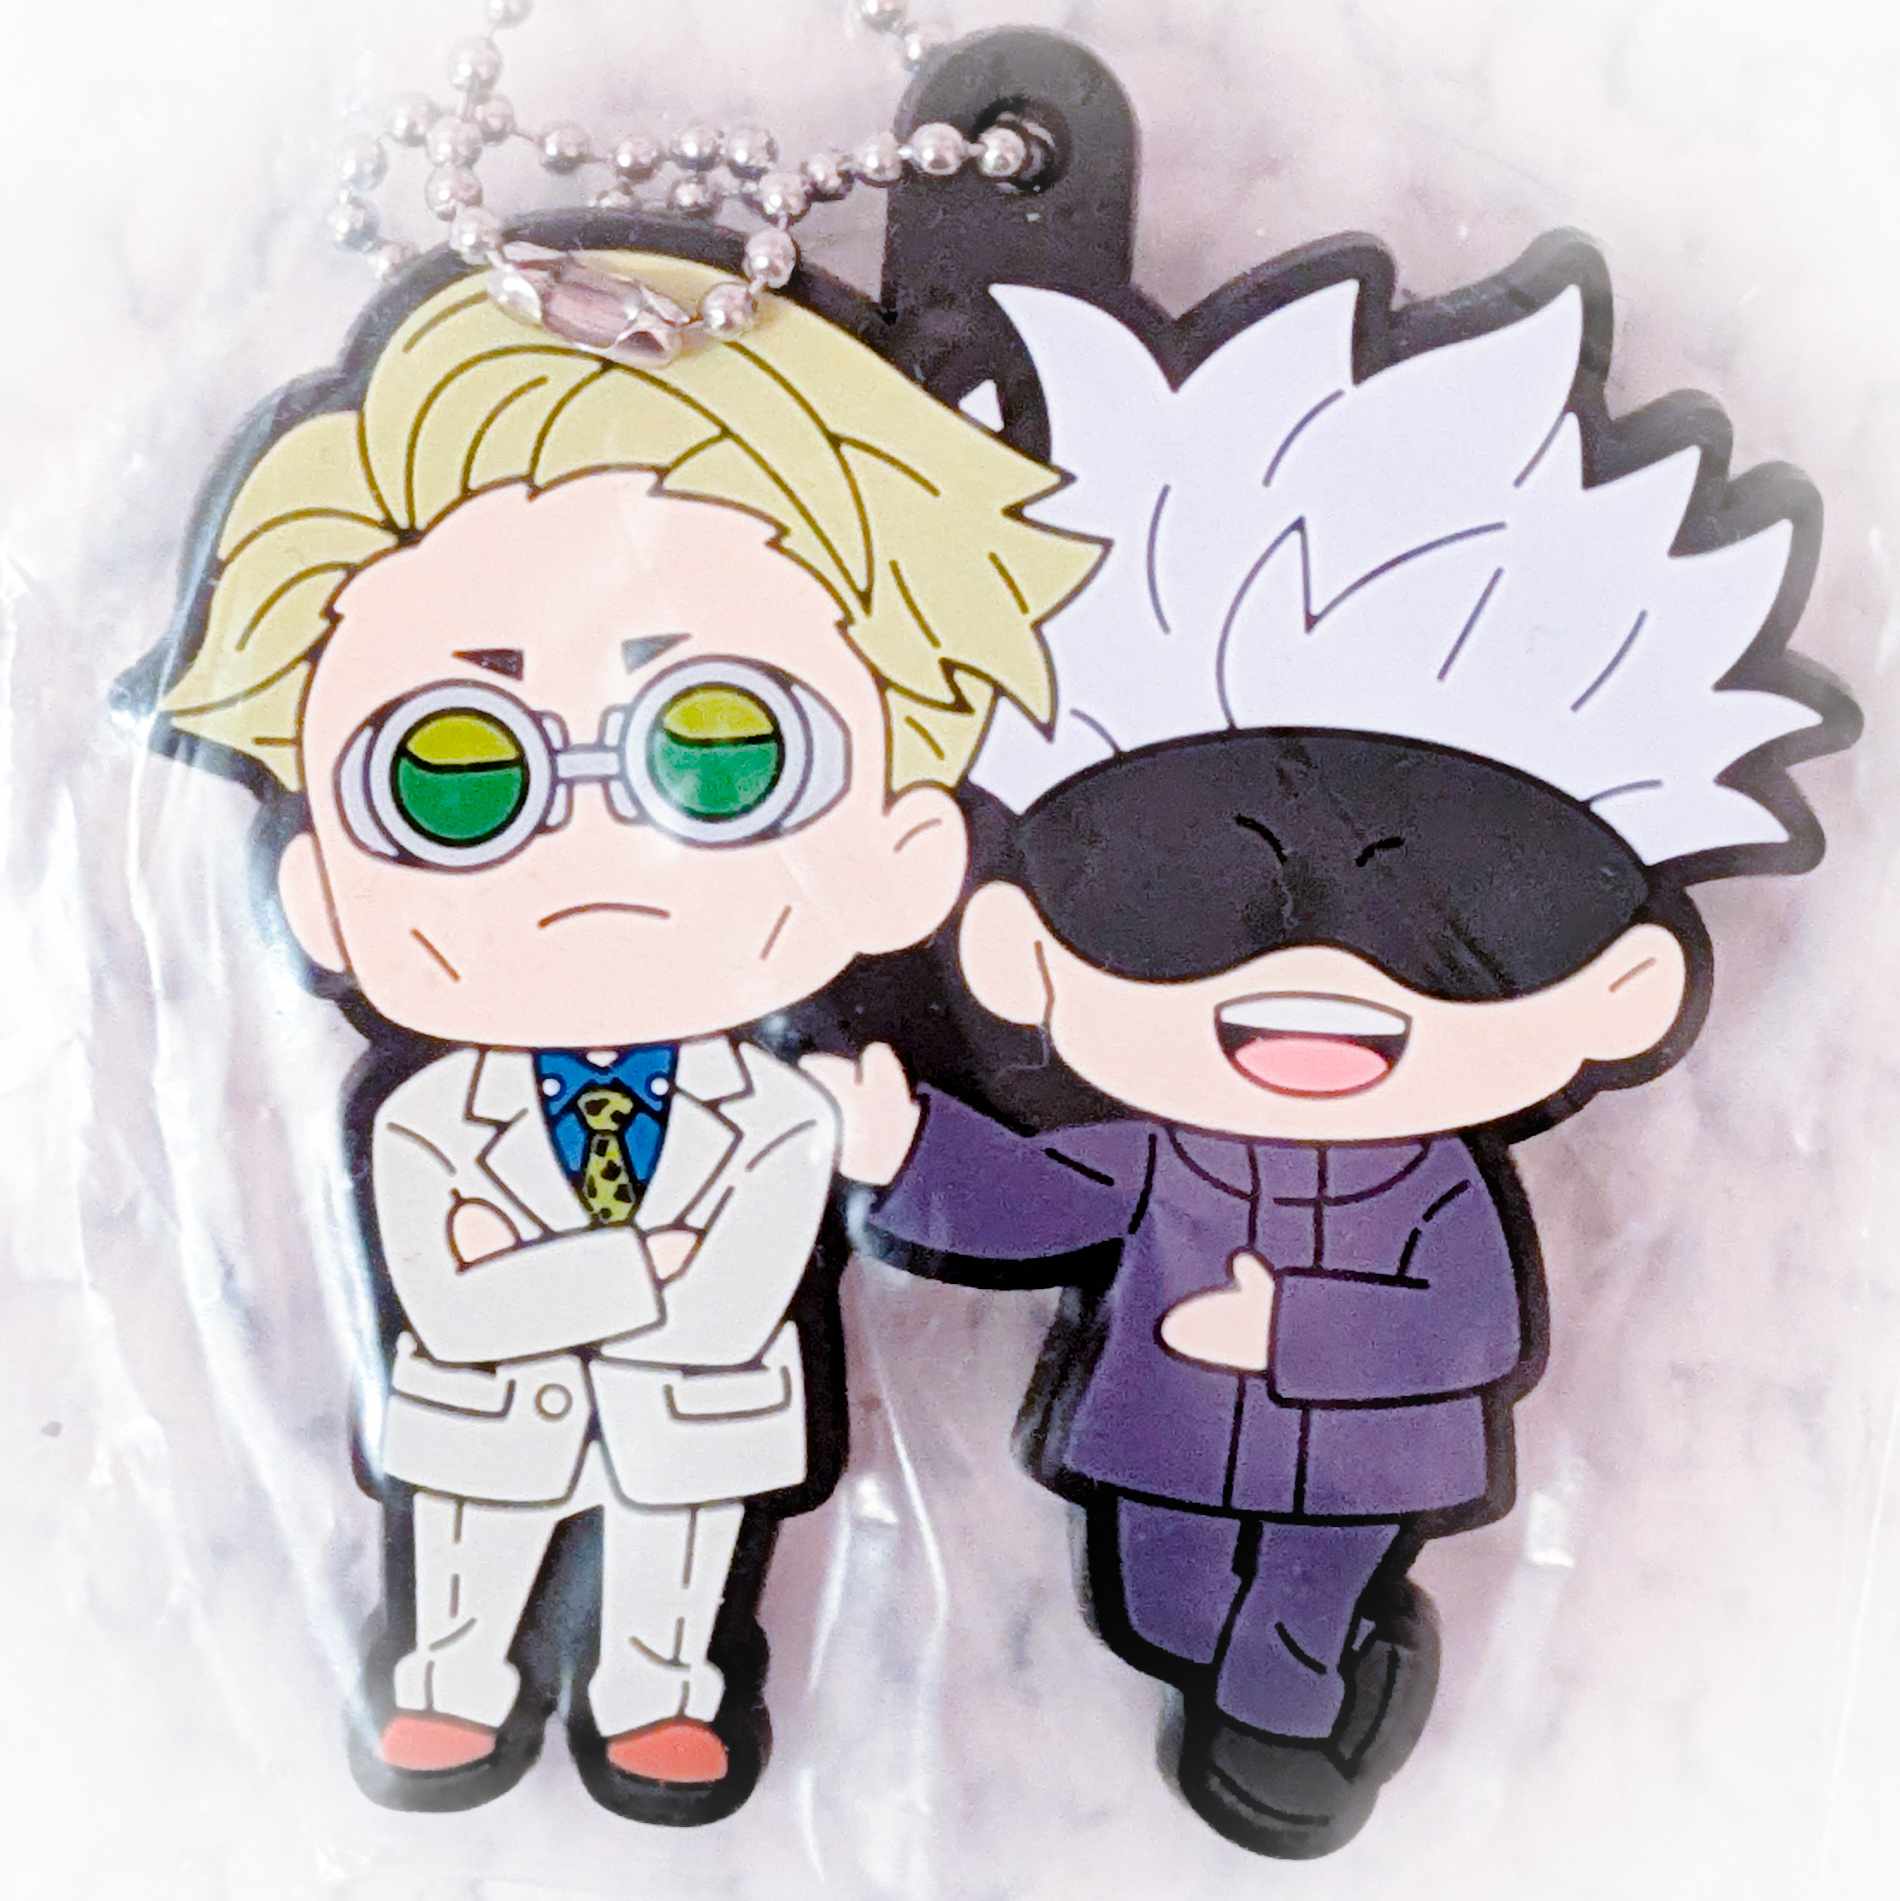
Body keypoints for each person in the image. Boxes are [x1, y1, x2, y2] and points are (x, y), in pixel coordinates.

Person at [804, 251, 1859, 1857]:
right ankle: (1279, 1685)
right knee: (1162, 1600)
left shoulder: (1445, 1186)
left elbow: (1469, 1317)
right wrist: (909, 1155)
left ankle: (1293, 1717)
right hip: (1158, 1434)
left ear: (1624, 987)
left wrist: (1287, 1324)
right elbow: (1044, 1199)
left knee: (1290, 1615)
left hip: (1369, 1462)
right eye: (1179, 900)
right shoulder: (1153, 1144)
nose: (1317, 976)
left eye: (1459, 920)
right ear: (1021, 944)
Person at [150, 247, 1097, 1821]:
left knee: (680, 1562)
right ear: (314, 891)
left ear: (904, 846)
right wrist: (635, 1273)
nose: (590, 843)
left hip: (699, 1423)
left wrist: (566, 1283)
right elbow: (453, 1293)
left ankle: (658, 1695)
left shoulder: (787, 1114)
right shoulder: (418, 1116)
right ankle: (453, 1680)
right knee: (465, 1567)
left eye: (721, 754)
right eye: (457, 773)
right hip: (481, 1432)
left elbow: (723, 1296)